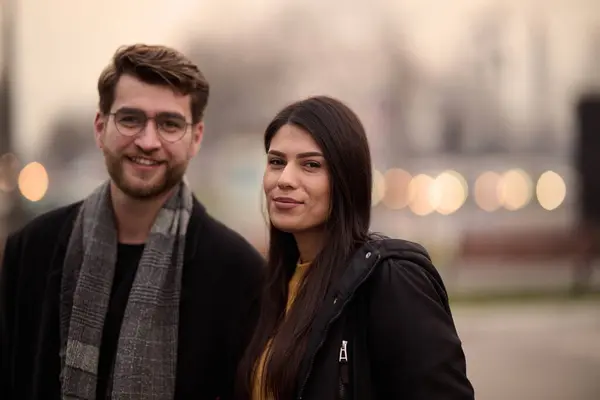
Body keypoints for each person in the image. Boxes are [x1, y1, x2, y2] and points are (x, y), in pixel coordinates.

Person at [0, 44, 265, 400]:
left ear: (195, 138)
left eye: (169, 124)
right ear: (100, 127)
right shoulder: (31, 250)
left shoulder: (239, 274)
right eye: (130, 119)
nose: (148, 141)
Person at [236, 96, 474, 399]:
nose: (284, 179)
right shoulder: (271, 288)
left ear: (346, 179)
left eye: (310, 165)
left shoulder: (389, 280)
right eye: (276, 162)